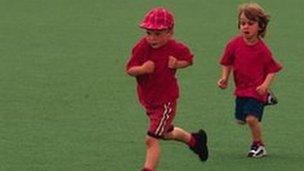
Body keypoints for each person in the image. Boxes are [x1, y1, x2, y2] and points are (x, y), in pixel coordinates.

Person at [125, 7, 208, 171]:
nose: (152, 38)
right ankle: (195, 141)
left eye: (158, 34)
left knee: (151, 139)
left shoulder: (176, 48)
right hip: (149, 100)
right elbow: (130, 69)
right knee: (165, 133)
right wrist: (142, 69)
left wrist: (177, 64)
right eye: (149, 33)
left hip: (166, 101)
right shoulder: (142, 47)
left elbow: (189, 60)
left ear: (170, 32)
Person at [217, 2, 282, 158]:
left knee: (251, 119)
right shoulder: (234, 44)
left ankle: (259, 145)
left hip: (256, 90)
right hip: (241, 89)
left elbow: (273, 69)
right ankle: (267, 98)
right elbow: (226, 62)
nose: (245, 27)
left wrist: (265, 85)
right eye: (242, 23)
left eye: (250, 24)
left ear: (260, 26)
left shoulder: (262, 50)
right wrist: (224, 78)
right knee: (241, 120)